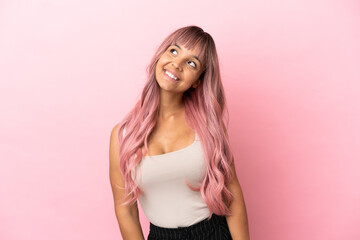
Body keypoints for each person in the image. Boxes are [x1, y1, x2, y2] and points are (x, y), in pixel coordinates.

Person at [109, 25, 250, 240]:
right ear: (160, 56)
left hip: (212, 233)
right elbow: (125, 210)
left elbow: (232, 194)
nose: (177, 64)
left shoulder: (210, 127)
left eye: (191, 63)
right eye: (173, 51)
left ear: (197, 81)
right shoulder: (122, 135)